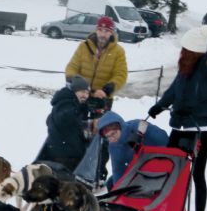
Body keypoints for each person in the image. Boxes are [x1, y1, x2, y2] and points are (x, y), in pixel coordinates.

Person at [148, 25, 207, 211]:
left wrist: (193, 110)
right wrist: (160, 106)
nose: (181, 53)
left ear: (195, 50)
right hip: (179, 126)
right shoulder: (185, 66)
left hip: (201, 129)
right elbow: (174, 91)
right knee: (170, 170)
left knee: (197, 174)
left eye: (185, 50)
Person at [65, 15, 127, 182]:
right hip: (82, 97)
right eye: (100, 29)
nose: (102, 33)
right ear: (96, 30)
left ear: (111, 33)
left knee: (102, 136)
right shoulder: (84, 47)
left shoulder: (118, 51)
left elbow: (121, 75)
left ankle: (99, 173)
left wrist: (107, 89)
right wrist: (76, 83)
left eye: (106, 31)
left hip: (102, 100)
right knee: (78, 132)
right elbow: (71, 67)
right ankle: (76, 168)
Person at [97, 111, 168, 189]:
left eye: (113, 134)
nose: (111, 139)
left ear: (120, 128)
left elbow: (164, 140)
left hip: (158, 162)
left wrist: (146, 135)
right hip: (137, 168)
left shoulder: (138, 127)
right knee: (111, 184)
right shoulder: (113, 146)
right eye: (108, 136)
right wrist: (118, 190)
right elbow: (118, 170)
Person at [37, 75, 91, 171]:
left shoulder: (72, 103)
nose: (85, 95)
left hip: (66, 154)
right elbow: (64, 117)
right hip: (64, 157)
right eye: (82, 92)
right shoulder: (65, 103)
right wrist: (78, 110)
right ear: (74, 91)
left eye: (87, 93)